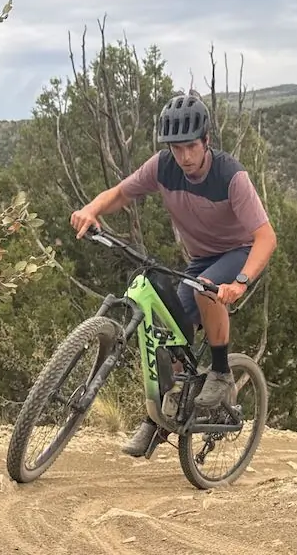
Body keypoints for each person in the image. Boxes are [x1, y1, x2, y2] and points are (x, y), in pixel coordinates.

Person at [70, 92, 277, 457]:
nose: (183, 157)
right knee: (168, 331)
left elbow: (266, 237)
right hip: (199, 258)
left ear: (207, 141)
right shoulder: (162, 167)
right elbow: (121, 193)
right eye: (176, 148)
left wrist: (239, 282)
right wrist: (91, 209)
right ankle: (161, 419)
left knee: (205, 290)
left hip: (237, 252)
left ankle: (220, 373)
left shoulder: (231, 177)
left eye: (190, 147)